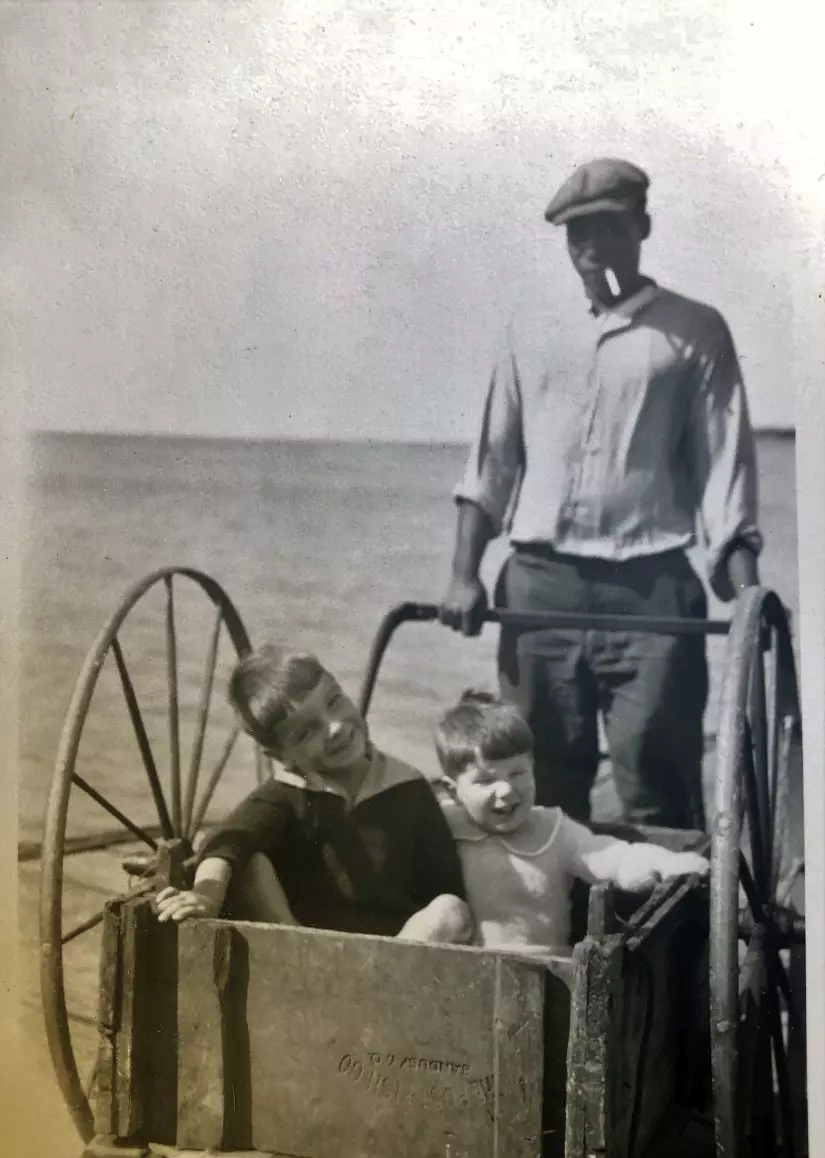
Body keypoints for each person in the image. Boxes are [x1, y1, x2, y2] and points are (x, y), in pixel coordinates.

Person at [439, 157, 762, 829]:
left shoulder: (693, 331)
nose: (590, 248)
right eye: (576, 234)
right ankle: (549, 933)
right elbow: (492, 460)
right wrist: (463, 574)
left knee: (655, 777)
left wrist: (746, 594)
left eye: (608, 230)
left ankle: (671, 933)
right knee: (539, 783)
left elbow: (723, 469)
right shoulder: (529, 328)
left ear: (641, 226)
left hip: (651, 595)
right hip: (538, 589)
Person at [155, 644, 470, 941]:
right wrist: (205, 897)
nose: (334, 728)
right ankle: (302, 963)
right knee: (249, 862)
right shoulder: (288, 793)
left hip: (400, 944)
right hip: (304, 941)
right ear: (281, 755)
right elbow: (228, 842)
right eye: (306, 732)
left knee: (450, 907)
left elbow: (445, 885)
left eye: (334, 701)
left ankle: (382, 981)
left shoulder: (407, 786)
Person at [413, 690, 708, 957]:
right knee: (442, 913)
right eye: (486, 780)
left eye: (517, 773)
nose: (506, 790)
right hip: (467, 974)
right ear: (453, 790)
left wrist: (668, 864)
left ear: (532, 767)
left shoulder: (552, 828)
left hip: (547, 971)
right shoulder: (446, 824)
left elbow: (613, 858)